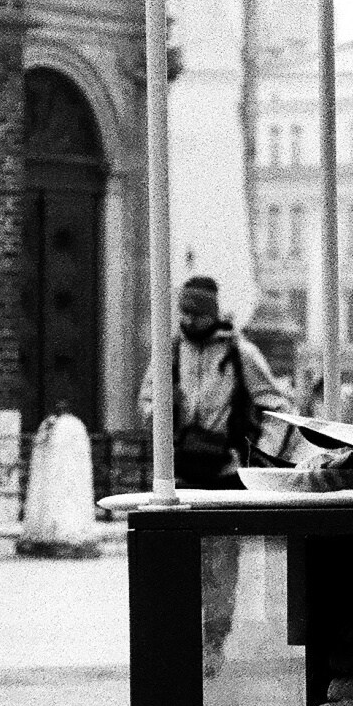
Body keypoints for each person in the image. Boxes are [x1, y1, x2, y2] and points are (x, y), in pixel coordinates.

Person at [142, 277, 293, 676]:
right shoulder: (169, 351)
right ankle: (181, 641)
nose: (187, 319)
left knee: (222, 566)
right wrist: (162, 422)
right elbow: (145, 401)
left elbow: (278, 407)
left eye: (195, 312)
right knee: (178, 561)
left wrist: (255, 458)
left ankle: (213, 643)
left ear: (212, 313)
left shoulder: (241, 353)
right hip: (178, 472)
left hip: (224, 473)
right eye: (183, 311)